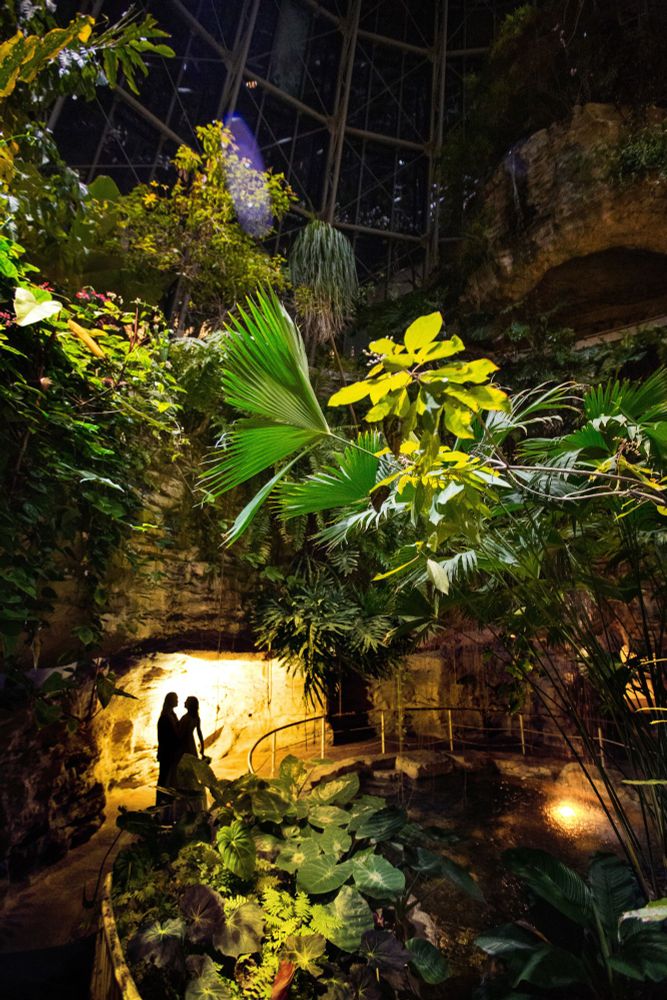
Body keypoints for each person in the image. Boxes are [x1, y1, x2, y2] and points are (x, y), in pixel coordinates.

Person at [156, 692, 180, 807]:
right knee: (163, 781)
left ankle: (169, 806)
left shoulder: (171, 715)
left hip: (171, 754)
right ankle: (159, 806)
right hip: (167, 754)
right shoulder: (165, 717)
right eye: (176, 699)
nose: (178, 701)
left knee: (170, 781)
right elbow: (166, 737)